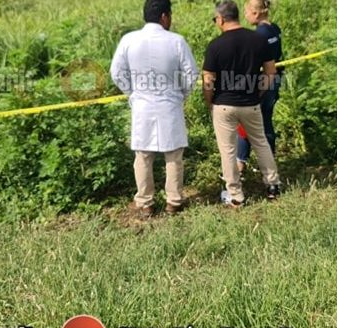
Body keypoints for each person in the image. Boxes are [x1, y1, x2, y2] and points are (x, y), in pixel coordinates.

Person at [110, 0, 199, 218]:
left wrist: (132, 93)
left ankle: (145, 202)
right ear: (164, 16)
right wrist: (181, 94)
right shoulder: (176, 41)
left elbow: (116, 72)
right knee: (173, 155)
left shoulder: (129, 40)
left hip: (142, 106)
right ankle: (173, 201)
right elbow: (191, 74)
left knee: (143, 155)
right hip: (169, 104)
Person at [202, 0, 282, 207]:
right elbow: (270, 72)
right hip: (251, 103)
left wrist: (209, 102)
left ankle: (236, 195)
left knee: (228, 150)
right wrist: (258, 92)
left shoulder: (215, 46)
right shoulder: (257, 40)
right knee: (261, 142)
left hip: (224, 105)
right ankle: (273, 184)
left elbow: (208, 80)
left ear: (220, 19)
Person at [236, 0, 284, 174]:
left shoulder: (258, 35)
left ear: (256, 13)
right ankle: (268, 162)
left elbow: (255, 63)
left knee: (246, 123)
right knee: (265, 122)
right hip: (275, 81)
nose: (245, 15)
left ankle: (241, 163)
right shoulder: (275, 29)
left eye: (247, 11)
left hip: (263, 83)